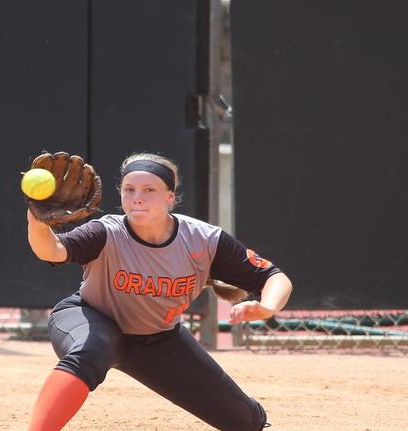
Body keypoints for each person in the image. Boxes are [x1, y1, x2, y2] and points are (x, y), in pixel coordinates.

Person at [26, 152, 293, 431]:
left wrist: (268, 307)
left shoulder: (203, 240)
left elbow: (273, 277)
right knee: (91, 349)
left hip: (158, 339)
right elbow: (52, 250)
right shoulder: (107, 231)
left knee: (245, 421)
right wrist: (37, 221)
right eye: (129, 190)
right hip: (89, 317)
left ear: (170, 198)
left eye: (148, 190)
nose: (136, 198)